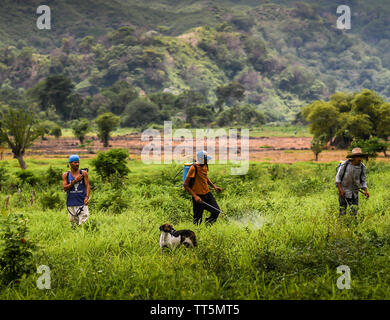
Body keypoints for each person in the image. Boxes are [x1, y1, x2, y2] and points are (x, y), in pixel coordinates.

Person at [184, 150, 222, 226]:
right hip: (198, 196)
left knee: (216, 211)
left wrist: (214, 187)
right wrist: (195, 196)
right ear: (201, 159)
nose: (207, 161)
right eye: (206, 159)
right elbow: (185, 184)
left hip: (207, 194)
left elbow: (205, 177)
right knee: (197, 220)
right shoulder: (193, 168)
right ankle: (197, 232)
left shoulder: (205, 165)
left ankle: (207, 225)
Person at [335, 148, 369, 217]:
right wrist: (340, 190)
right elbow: (338, 178)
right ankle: (340, 225)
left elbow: (363, 180)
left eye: (360, 157)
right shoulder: (345, 165)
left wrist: (365, 191)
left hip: (355, 193)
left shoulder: (362, 167)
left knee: (354, 211)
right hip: (344, 192)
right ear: (353, 157)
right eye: (357, 157)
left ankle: (353, 226)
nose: (359, 159)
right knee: (342, 211)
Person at [62, 154, 90, 227]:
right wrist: (74, 181)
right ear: (70, 163)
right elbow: (65, 188)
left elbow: (87, 186)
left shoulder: (83, 173)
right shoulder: (66, 175)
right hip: (71, 202)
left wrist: (87, 197)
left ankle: (83, 237)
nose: (77, 164)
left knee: (84, 223)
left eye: (78, 162)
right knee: (73, 225)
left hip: (82, 202)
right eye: (75, 162)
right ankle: (75, 237)